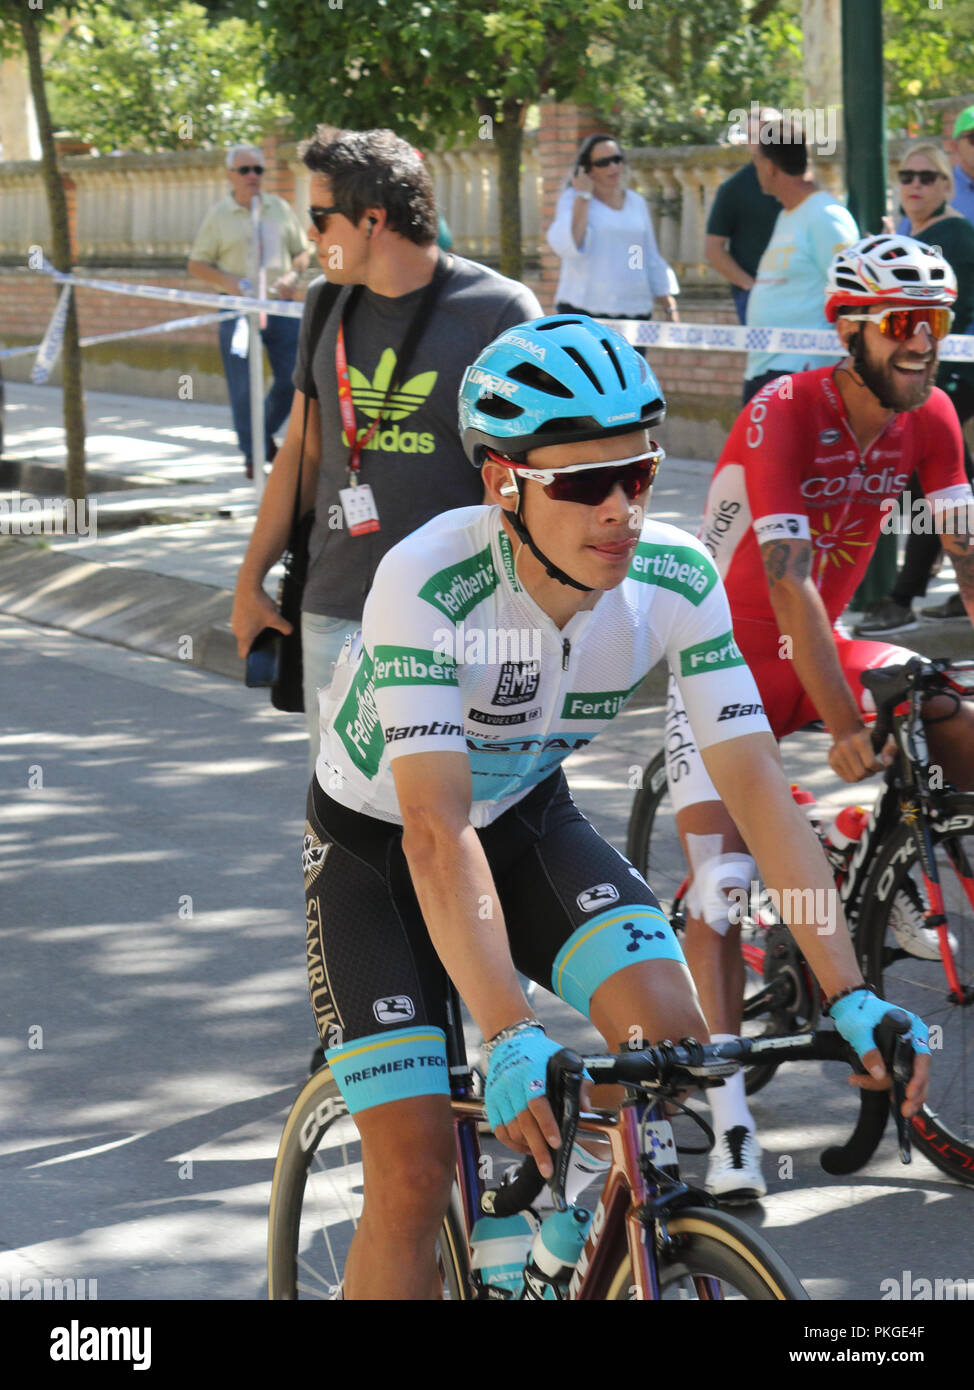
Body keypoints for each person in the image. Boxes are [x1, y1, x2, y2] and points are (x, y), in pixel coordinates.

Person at [302, 312, 930, 1298]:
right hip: (382, 853)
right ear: (502, 482)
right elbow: (433, 827)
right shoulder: (426, 581)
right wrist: (509, 1031)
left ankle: (538, 1206)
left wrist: (848, 988)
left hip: (522, 819)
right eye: (583, 484)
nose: (618, 512)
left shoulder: (673, 575)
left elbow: (755, 784)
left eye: (635, 476)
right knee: (415, 1172)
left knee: (672, 1047)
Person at [664, 235, 974, 1200]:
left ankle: (906, 861)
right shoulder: (783, 410)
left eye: (940, 322)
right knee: (716, 892)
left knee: (946, 707)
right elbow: (790, 585)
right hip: (726, 657)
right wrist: (842, 720)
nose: (926, 343)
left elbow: (969, 553)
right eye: (905, 325)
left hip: (820, 644)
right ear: (852, 331)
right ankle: (730, 1124)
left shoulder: (932, 419)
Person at [230, 127, 541, 761]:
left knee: (455, 818)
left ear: (372, 220)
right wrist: (249, 579)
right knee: (343, 820)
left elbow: (534, 476)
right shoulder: (325, 304)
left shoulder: (500, 313)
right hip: (336, 606)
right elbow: (302, 452)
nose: (310, 236)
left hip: (460, 614)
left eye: (320, 219)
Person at [857, 147, 974, 634]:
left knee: (929, 483)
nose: (916, 184)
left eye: (928, 176)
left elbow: (952, 312)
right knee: (948, 484)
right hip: (935, 372)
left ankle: (903, 597)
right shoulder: (910, 236)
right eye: (907, 175)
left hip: (956, 373)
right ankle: (952, 596)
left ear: (948, 186)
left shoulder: (956, 236)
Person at [188, 145, 311, 480]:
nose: (253, 176)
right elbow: (196, 264)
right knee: (242, 387)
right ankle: (253, 455)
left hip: (279, 306)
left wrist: (293, 276)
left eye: (258, 169)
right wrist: (228, 281)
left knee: (293, 377)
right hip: (237, 310)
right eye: (245, 170)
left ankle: (261, 436)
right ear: (230, 175)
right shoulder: (219, 215)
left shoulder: (280, 208)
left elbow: (301, 252)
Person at [742, 117, 859, 405]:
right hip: (765, 367)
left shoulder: (825, 216)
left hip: (803, 371)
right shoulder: (787, 214)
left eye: (755, 160)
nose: (754, 168)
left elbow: (853, 293)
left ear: (770, 166)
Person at [545, 133, 679, 328]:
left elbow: (649, 254)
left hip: (635, 310)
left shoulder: (636, 201)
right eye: (603, 162)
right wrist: (583, 195)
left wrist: (668, 304)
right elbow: (570, 245)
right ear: (587, 168)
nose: (613, 167)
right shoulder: (573, 199)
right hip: (584, 310)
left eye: (617, 160)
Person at [705, 107, 783, 323]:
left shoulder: (800, 183)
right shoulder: (734, 188)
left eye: (769, 133)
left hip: (800, 295)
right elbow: (713, 249)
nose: (761, 141)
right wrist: (751, 286)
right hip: (756, 297)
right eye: (753, 136)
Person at [894, 105, 974, 233]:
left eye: (926, 177)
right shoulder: (938, 187)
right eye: (973, 138)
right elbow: (908, 242)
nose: (916, 183)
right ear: (954, 146)